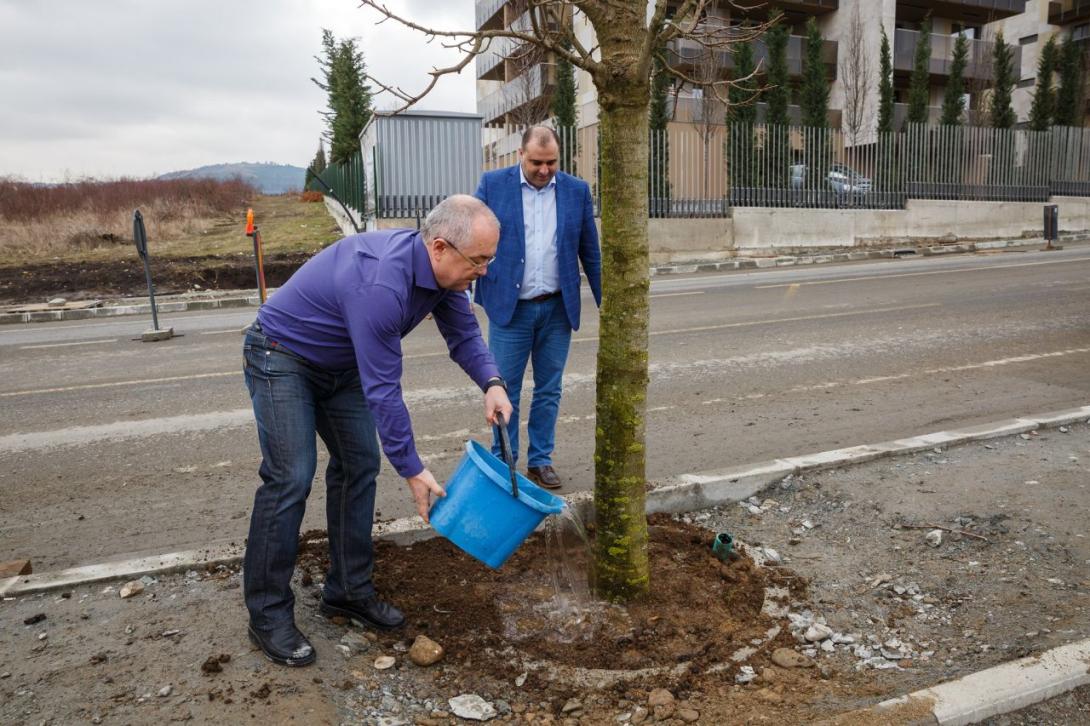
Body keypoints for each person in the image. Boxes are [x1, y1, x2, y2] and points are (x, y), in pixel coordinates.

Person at [241, 195, 513, 667]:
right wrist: (412, 468)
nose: (485, 271)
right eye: (480, 261)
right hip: (281, 355)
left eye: (490, 259)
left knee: (359, 464)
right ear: (441, 247)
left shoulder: (444, 277)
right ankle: (267, 612)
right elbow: (383, 390)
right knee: (291, 476)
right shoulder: (381, 284)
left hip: (338, 365)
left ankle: (348, 590)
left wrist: (492, 383)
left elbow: (465, 335)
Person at [473, 126, 601, 490]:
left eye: (551, 162)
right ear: (520, 155)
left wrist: (608, 302)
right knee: (504, 390)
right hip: (510, 309)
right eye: (536, 163)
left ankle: (540, 459)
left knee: (549, 388)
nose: (544, 170)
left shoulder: (576, 191)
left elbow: (590, 251)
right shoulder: (493, 185)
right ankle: (504, 460)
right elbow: (468, 239)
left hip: (557, 309)